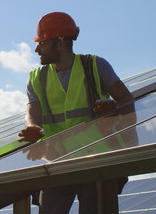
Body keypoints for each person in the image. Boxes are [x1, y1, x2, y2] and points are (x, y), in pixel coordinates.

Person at [18, 12, 135, 213]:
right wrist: (32, 127)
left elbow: (126, 99)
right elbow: (32, 113)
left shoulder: (96, 66)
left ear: (61, 43)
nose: (37, 49)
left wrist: (115, 116)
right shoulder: (36, 78)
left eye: (43, 43)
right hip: (57, 162)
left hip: (98, 162)